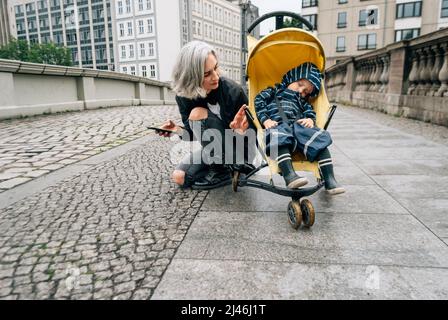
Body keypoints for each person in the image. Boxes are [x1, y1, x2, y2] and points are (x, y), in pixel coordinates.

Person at [158, 41, 254, 189]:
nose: (215, 77)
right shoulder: (184, 97)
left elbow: (252, 136)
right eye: (207, 74)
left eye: (215, 68)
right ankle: (225, 171)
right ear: (191, 77)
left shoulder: (233, 91)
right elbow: (193, 134)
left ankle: (224, 170)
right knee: (179, 178)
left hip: (239, 150)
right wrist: (176, 130)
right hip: (214, 150)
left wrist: (239, 131)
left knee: (197, 113)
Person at [255, 62, 345, 195]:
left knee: (319, 138)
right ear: (291, 79)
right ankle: (289, 175)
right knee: (276, 135)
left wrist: (309, 119)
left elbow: (310, 112)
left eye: (306, 92)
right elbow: (258, 102)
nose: (301, 91)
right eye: (300, 85)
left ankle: (330, 179)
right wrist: (266, 120)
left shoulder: (302, 102)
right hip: (277, 126)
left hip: (298, 131)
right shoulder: (272, 92)